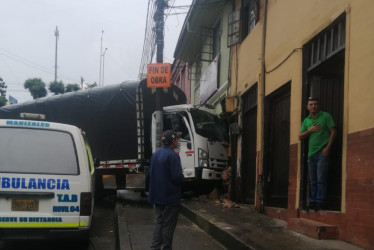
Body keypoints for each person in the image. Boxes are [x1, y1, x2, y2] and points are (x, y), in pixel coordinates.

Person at [148, 130, 184, 250]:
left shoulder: (155, 154)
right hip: (170, 197)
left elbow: (150, 174)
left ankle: (155, 247)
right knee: (168, 225)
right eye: (177, 139)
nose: (177, 141)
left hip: (157, 197)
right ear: (173, 140)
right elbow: (176, 176)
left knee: (159, 223)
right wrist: (183, 176)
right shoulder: (173, 156)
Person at [299, 97, 336, 211]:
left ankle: (320, 202)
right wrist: (310, 130)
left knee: (321, 179)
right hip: (311, 154)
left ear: (318, 105)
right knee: (313, 180)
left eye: (315, 104)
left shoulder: (326, 116)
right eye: (311, 104)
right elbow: (300, 137)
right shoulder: (306, 121)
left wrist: (328, 148)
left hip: (322, 153)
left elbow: (333, 132)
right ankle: (313, 201)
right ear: (307, 107)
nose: (313, 106)